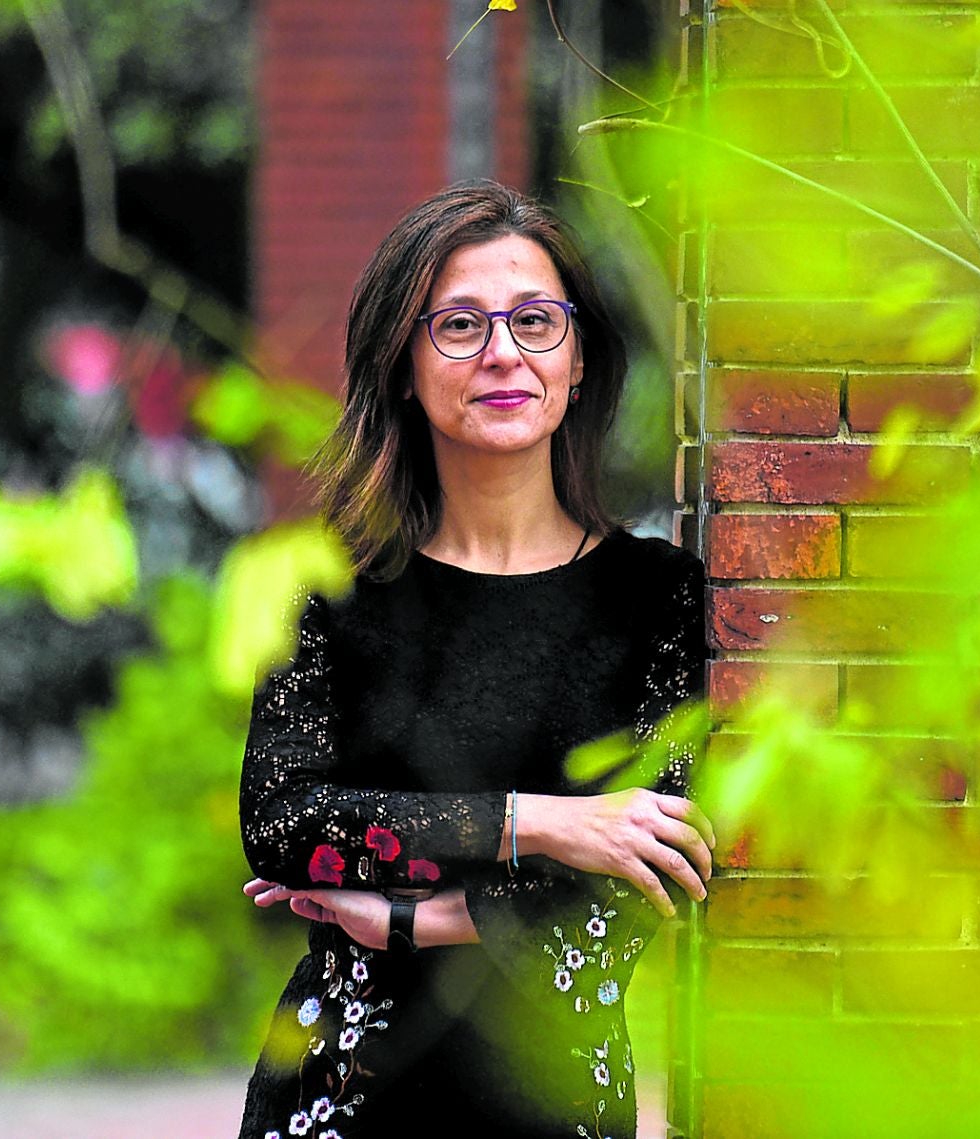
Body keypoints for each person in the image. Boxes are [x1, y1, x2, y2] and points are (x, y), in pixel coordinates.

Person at [235, 180, 714, 1139]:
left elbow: (651, 871)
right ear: (403, 365)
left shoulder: (659, 598)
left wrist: (404, 918)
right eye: (459, 324)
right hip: (342, 1099)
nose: (503, 352)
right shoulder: (327, 586)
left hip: (555, 1097)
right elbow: (284, 823)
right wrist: (546, 824)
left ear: (578, 358)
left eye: (535, 321)